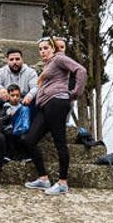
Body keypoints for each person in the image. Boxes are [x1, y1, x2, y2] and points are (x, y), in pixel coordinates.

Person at [24, 37, 87, 195]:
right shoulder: (48, 65)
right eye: (40, 49)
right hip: (45, 106)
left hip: (57, 102)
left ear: (53, 48)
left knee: (60, 142)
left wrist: (75, 93)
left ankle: (63, 183)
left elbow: (81, 70)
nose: (43, 51)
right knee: (29, 140)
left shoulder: (59, 59)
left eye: (46, 48)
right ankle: (44, 179)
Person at [1, 84, 31, 161]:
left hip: (21, 128)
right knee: (9, 136)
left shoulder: (22, 107)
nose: (15, 98)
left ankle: (24, 155)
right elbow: (1, 120)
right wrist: (9, 115)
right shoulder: (6, 106)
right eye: (12, 95)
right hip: (10, 128)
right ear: (8, 96)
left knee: (23, 137)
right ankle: (9, 154)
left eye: (17, 95)